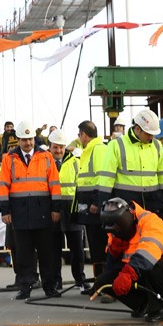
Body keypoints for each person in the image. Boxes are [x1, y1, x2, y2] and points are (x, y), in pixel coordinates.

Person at [0, 119, 61, 300]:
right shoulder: (9, 159)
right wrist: (5, 211)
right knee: (23, 254)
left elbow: (54, 184)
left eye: (30, 139)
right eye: (24, 140)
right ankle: (25, 287)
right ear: (18, 140)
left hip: (42, 212)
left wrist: (56, 208)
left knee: (46, 252)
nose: (28, 143)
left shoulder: (46, 156)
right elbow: (3, 186)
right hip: (20, 213)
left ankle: (49, 287)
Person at [90, 198, 163, 322]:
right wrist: (116, 247)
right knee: (103, 282)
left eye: (117, 226)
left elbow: (148, 253)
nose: (114, 229)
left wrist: (127, 274)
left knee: (154, 264)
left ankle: (161, 308)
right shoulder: (115, 227)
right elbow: (113, 260)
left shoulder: (150, 221)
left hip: (158, 268)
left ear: (126, 218)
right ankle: (144, 305)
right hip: (140, 270)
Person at [97, 108, 163, 215]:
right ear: (137, 129)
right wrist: (103, 205)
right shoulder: (116, 145)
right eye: (148, 133)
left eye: (153, 134)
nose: (151, 137)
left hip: (153, 206)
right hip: (127, 207)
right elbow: (106, 179)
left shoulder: (156, 145)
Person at [48, 129, 89, 293]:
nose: (58, 151)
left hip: (72, 209)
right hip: (53, 210)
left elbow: (81, 186)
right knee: (54, 249)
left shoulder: (75, 162)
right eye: (55, 147)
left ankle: (80, 280)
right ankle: (55, 282)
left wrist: (81, 209)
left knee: (77, 249)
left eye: (61, 147)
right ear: (50, 147)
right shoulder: (45, 163)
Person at [76, 120, 109, 288]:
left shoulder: (98, 150)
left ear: (84, 134)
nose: (78, 138)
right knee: (95, 247)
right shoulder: (90, 150)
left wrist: (97, 201)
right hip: (89, 205)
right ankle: (99, 283)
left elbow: (103, 177)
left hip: (95, 205)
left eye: (79, 134)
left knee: (99, 246)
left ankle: (102, 284)